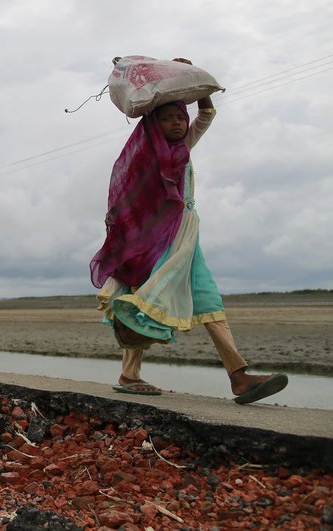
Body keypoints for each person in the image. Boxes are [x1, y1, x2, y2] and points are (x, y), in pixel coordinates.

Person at [90, 58, 288, 405]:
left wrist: (197, 83)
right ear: (154, 122)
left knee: (206, 299)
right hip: (155, 241)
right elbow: (129, 203)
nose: (178, 123)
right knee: (147, 299)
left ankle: (238, 377)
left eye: (180, 117)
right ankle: (130, 374)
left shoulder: (182, 148)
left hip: (185, 236)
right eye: (168, 118)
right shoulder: (145, 155)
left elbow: (206, 116)